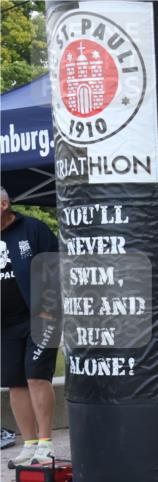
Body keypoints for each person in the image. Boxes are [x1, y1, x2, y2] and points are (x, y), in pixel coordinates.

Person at [1, 186, 60, 467]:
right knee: (15, 382)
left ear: (3, 205)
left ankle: (46, 444)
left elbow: (57, 266)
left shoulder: (33, 230)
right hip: (5, 325)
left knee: (37, 377)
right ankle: (29, 444)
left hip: (41, 316)